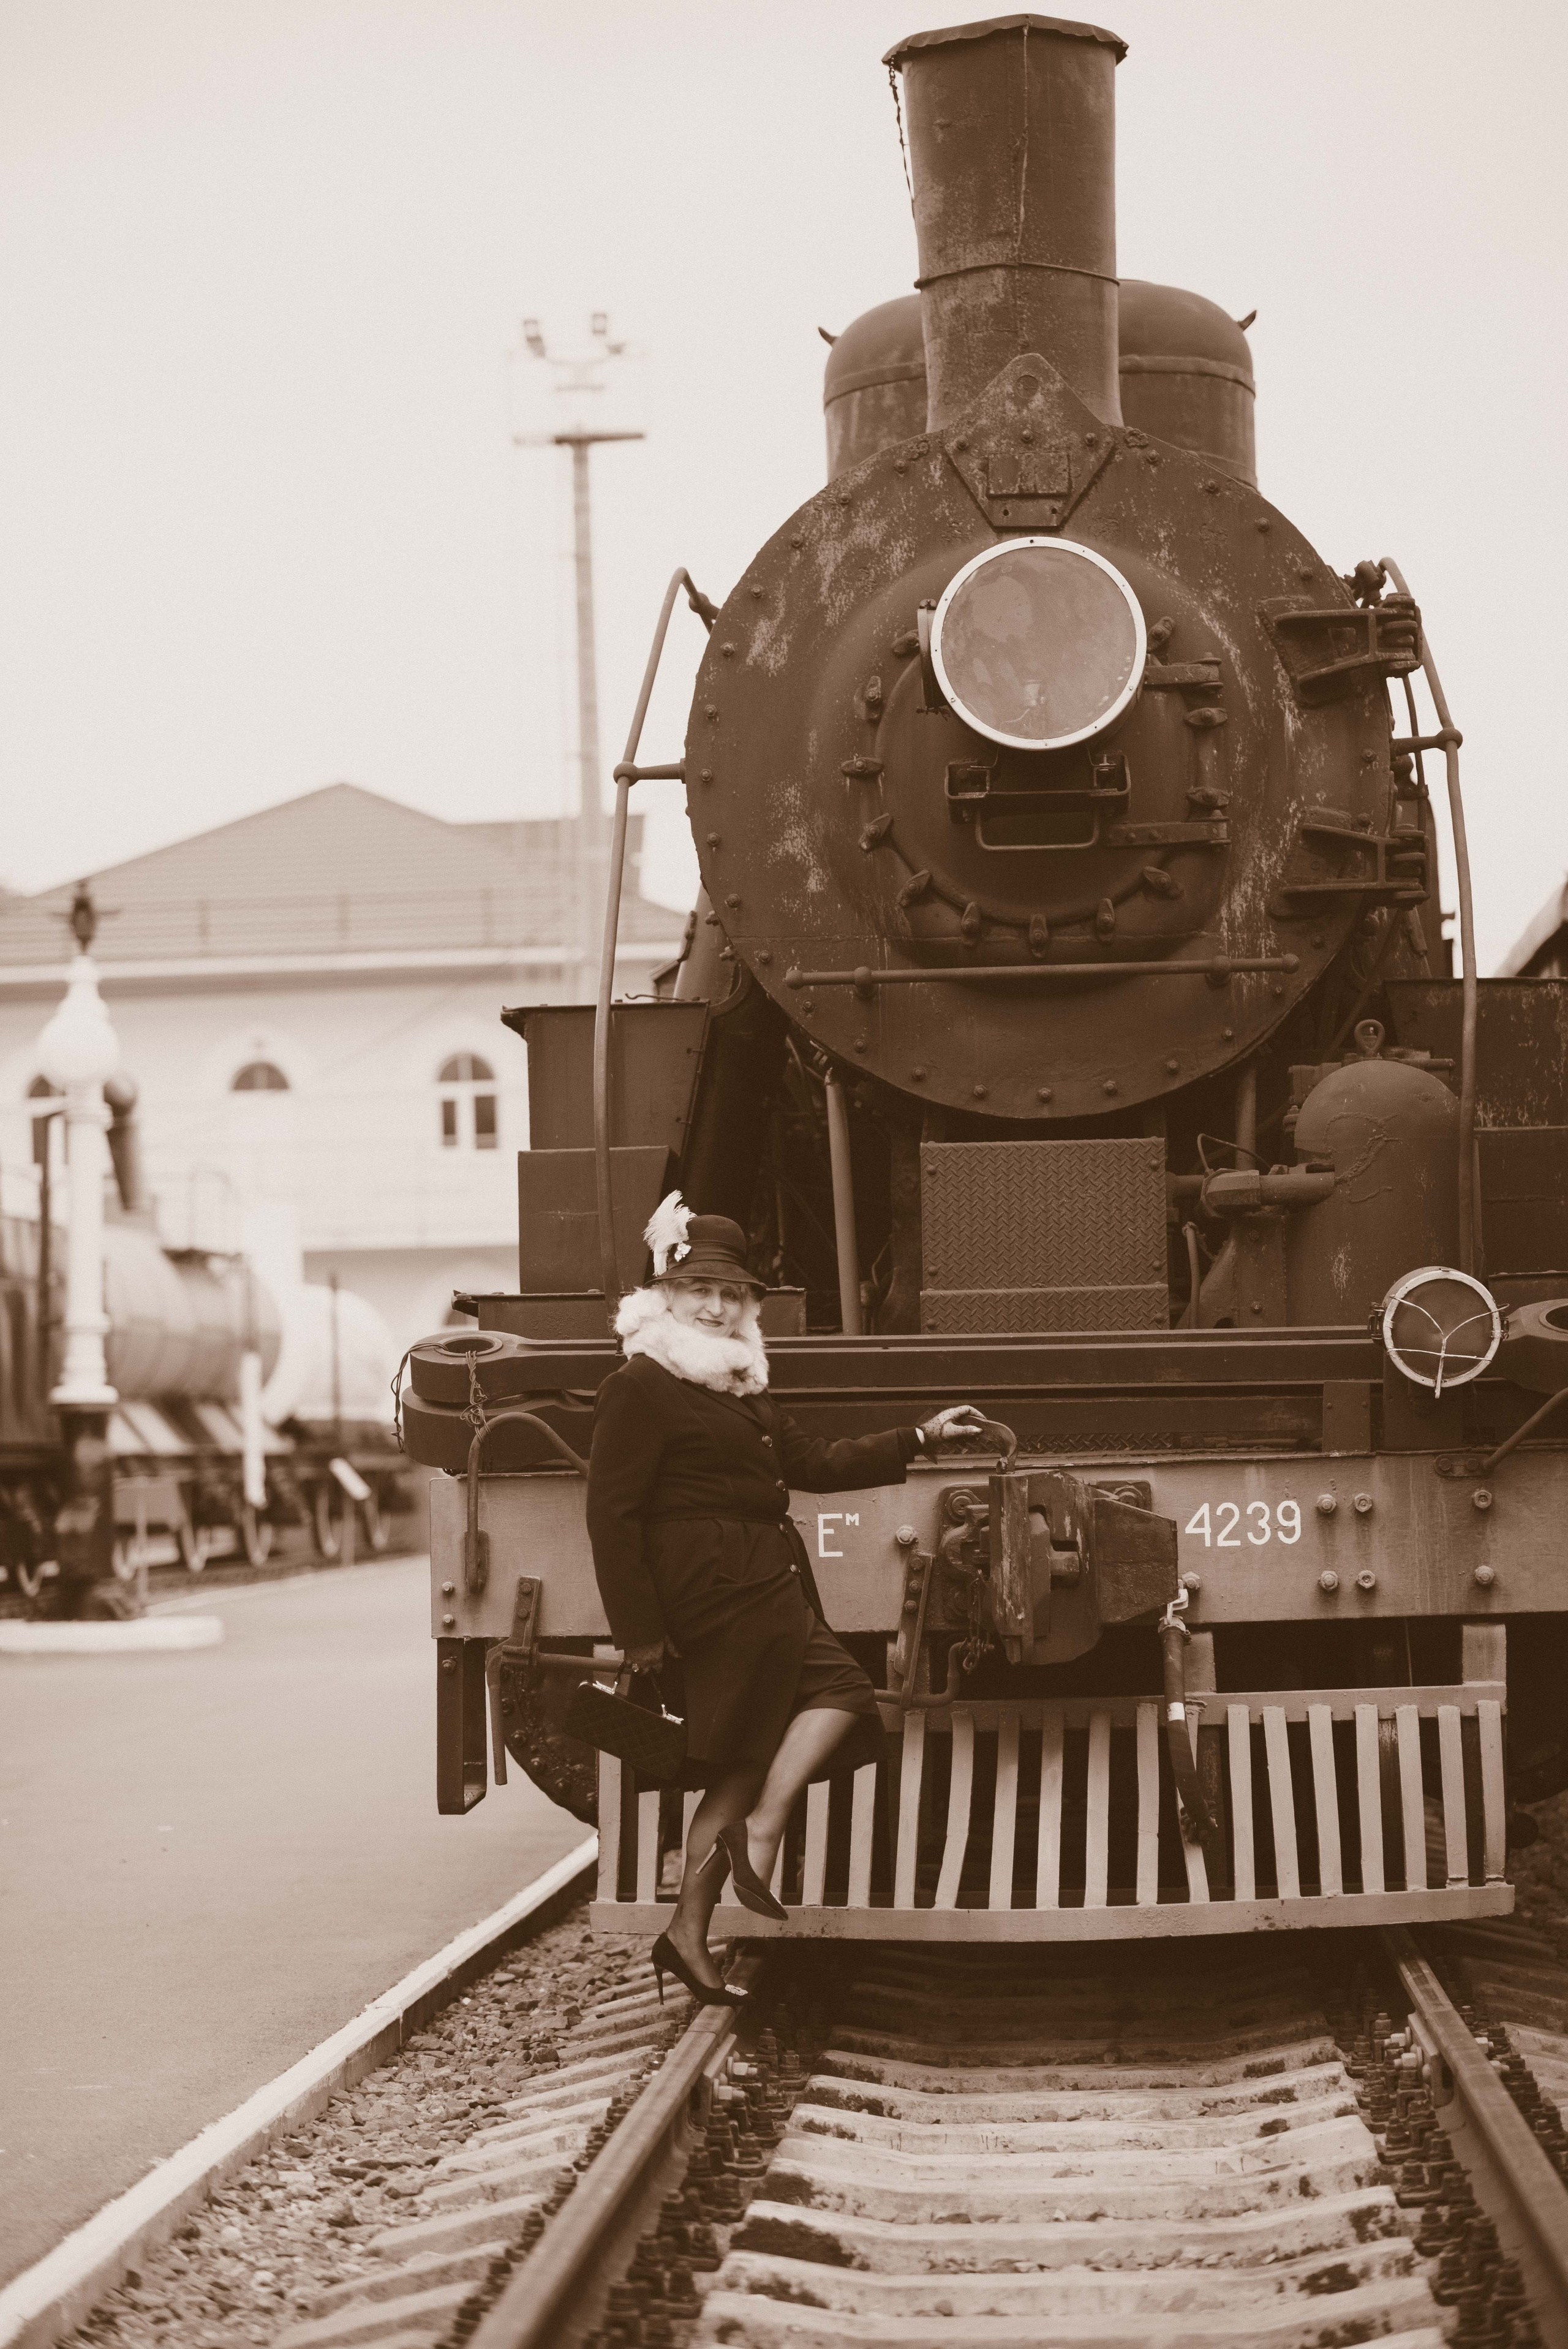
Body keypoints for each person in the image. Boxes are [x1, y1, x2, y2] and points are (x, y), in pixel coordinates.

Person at [586, 1192, 983, 2005]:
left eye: (732, 1293)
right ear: (667, 1290)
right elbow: (611, 1513)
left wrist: (919, 1436)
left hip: (761, 1582)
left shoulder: (739, 1384)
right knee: (830, 1694)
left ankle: (691, 1929)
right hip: (712, 1589)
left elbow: (815, 1458)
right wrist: (642, 1633)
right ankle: (756, 1834)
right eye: (701, 1288)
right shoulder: (644, 1382)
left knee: (756, 1746)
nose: (716, 1304)